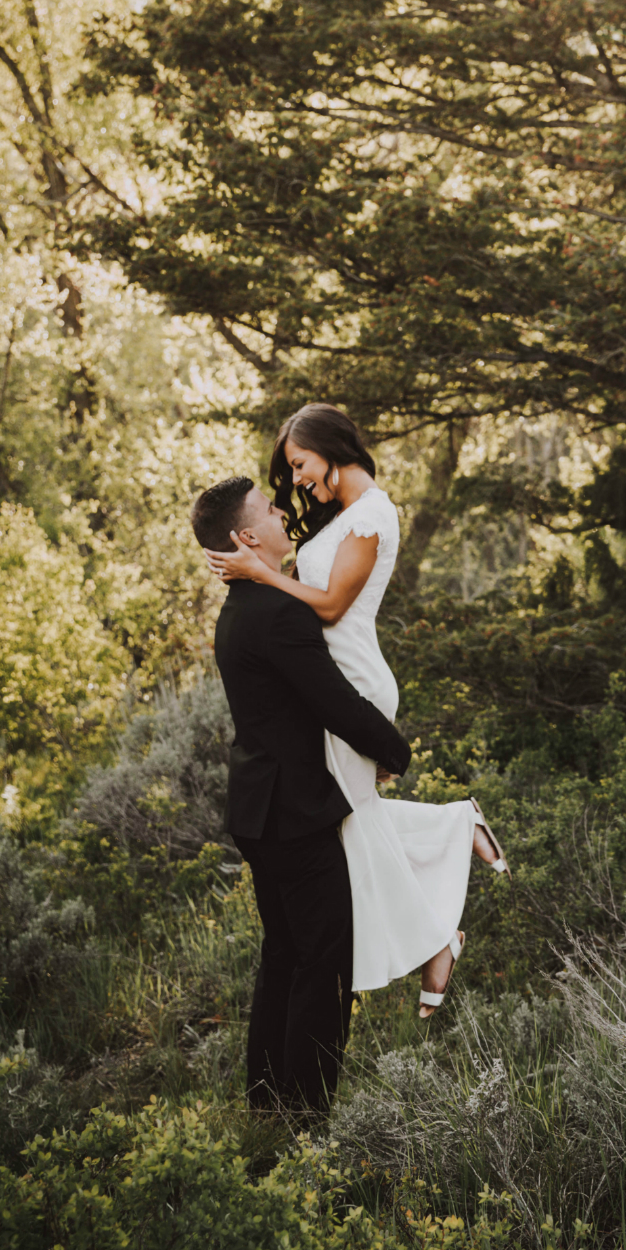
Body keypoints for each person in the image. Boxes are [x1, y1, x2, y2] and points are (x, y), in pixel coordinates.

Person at [207, 405, 505, 1016]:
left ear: (331, 448)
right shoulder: (342, 517)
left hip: (357, 683)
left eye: (299, 465)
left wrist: (262, 573)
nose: (294, 483)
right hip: (336, 679)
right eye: (288, 473)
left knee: (345, 823)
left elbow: (333, 606)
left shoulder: (372, 515)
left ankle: (437, 938)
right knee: (347, 823)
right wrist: (267, 571)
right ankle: (455, 838)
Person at [193, 475, 413, 1113]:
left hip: (259, 811)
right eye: (268, 508)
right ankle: (308, 1117)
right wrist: (395, 752)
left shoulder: (238, 612)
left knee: (285, 955)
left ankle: (267, 1103)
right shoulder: (280, 612)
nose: (280, 512)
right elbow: (335, 701)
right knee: (324, 964)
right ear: (245, 536)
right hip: (294, 814)